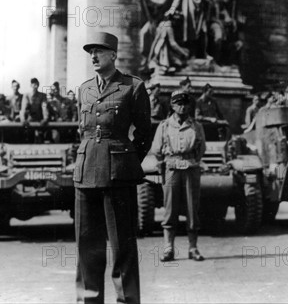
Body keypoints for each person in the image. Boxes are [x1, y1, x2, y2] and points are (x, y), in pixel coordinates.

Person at [74, 31, 151, 304]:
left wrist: (126, 160)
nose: (93, 56)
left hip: (118, 175)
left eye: (99, 51)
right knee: (87, 248)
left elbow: (144, 133)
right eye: (90, 52)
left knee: (123, 248)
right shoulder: (84, 89)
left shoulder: (133, 87)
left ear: (113, 55)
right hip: (85, 173)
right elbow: (80, 131)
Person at [148, 89, 206, 262]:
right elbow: (157, 149)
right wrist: (165, 162)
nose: (182, 107)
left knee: (191, 208)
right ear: (172, 105)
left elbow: (201, 148)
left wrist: (191, 160)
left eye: (185, 104)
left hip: (190, 168)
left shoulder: (196, 126)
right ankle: (168, 248)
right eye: (179, 104)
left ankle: (193, 247)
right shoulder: (164, 126)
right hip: (171, 168)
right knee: (170, 208)